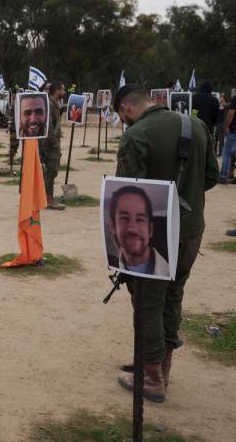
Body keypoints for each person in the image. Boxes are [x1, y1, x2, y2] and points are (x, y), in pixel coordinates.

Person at [113, 84, 218, 403]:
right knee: (173, 295)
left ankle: (153, 377)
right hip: (190, 232)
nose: (124, 121)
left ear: (127, 109)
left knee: (147, 301)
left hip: (153, 234)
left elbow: (128, 190)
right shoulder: (195, 125)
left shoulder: (136, 135)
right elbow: (212, 177)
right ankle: (160, 364)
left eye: (121, 116)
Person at [107, 186, 169, 276]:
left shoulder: (168, 272)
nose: (132, 228)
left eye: (140, 219)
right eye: (124, 218)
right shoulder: (112, 264)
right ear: (113, 226)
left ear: (150, 229)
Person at [38, 83, 65, 210]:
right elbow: (47, 126)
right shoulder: (49, 105)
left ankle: (46, 197)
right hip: (49, 144)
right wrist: (54, 143)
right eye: (62, 89)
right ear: (57, 90)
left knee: (51, 171)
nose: (64, 91)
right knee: (50, 171)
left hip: (51, 142)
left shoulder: (54, 105)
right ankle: (48, 199)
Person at [219, 92, 236, 183]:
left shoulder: (235, 99)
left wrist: (225, 126)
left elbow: (230, 114)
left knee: (226, 152)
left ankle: (223, 176)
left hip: (234, 130)